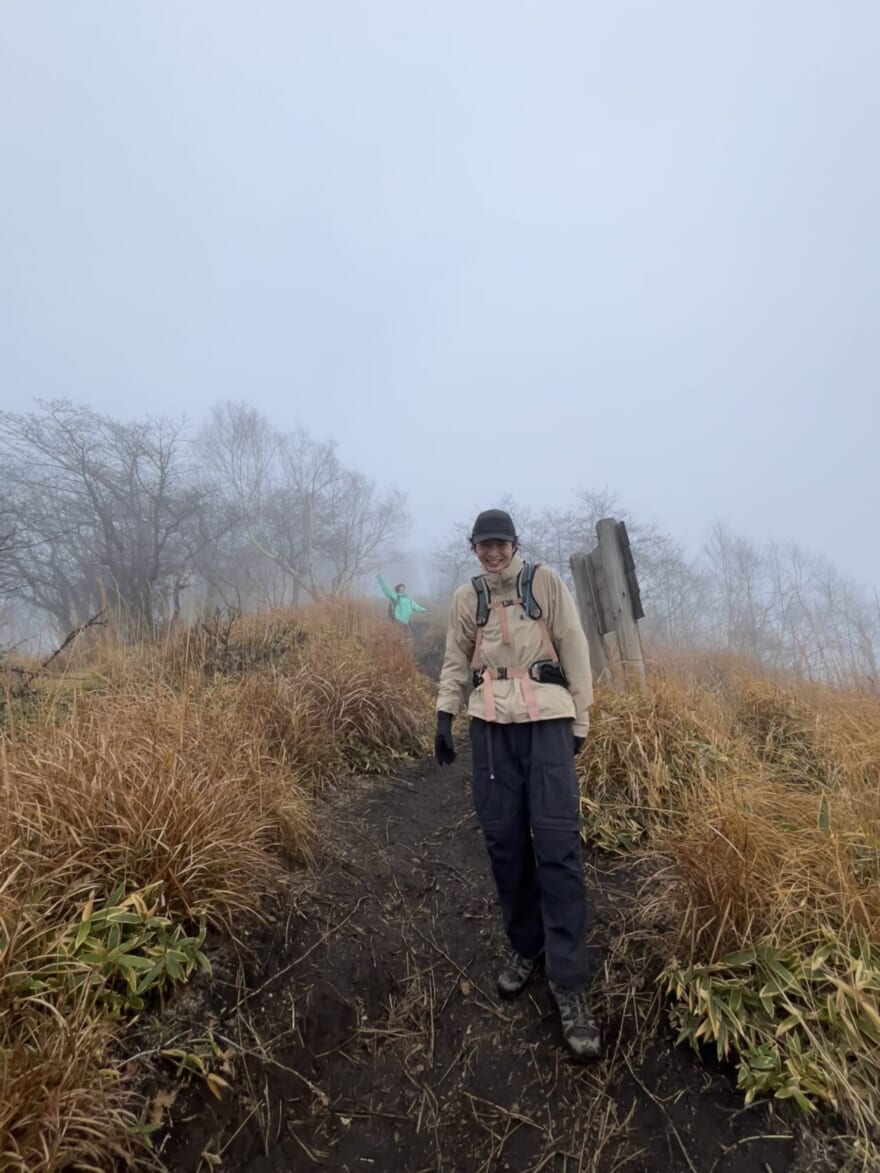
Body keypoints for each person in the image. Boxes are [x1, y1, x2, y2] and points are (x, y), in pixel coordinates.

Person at [434, 508, 600, 1061]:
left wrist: (580, 719)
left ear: (514, 543)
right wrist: (445, 714)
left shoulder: (545, 582)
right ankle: (525, 947)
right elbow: (457, 657)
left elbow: (574, 644)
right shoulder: (468, 599)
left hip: (548, 724)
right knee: (504, 845)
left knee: (556, 848)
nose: (493, 552)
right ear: (473, 547)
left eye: (500, 543)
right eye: (484, 545)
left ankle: (570, 984)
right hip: (490, 729)